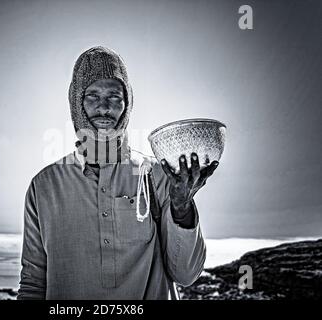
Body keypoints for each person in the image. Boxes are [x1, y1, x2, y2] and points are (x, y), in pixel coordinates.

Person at [17, 46, 219, 300]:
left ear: (127, 104)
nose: (104, 107)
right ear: (75, 101)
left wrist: (182, 207)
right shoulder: (44, 186)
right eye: (92, 95)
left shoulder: (158, 176)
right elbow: (34, 283)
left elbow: (186, 275)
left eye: (114, 96)